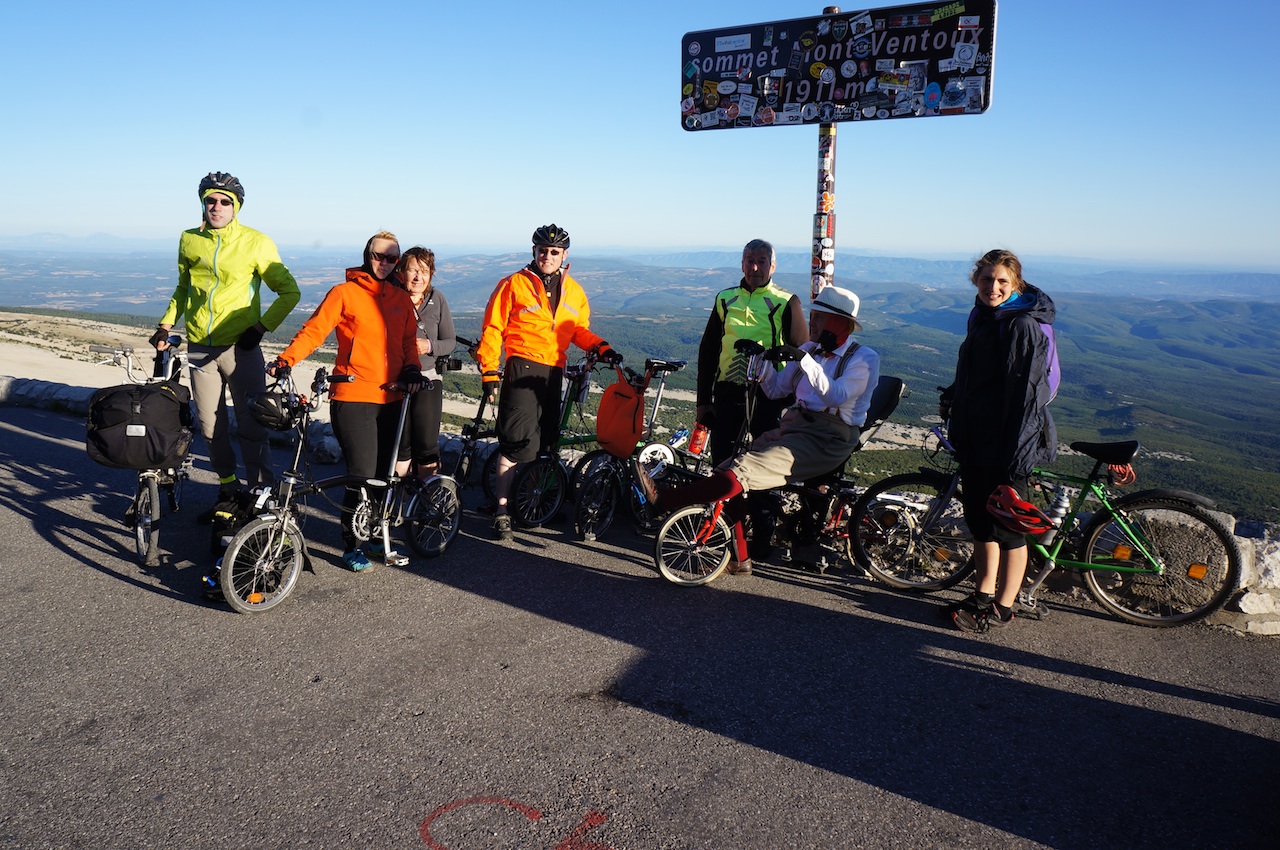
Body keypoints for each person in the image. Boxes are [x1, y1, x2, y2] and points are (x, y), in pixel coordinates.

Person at [637, 285, 878, 576]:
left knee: (741, 471)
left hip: (830, 439)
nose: (811, 322)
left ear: (839, 323)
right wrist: (761, 361)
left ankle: (665, 501)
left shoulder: (863, 358)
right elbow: (777, 390)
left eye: (818, 317)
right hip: (796, 426)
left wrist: (804, 361)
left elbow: (836, 396)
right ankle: (740, 557)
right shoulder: (810, 350)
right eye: (814, 315)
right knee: (727, 469)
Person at [271, 231, 423, 572]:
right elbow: (314, 330)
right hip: (354, 395)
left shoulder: (400, 298)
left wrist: (412, 366)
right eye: (377, 256)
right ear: (366, 255)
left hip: (395, 395)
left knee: (384, 474)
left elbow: (409, 341)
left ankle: (370, 533)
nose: (384, 263)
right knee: (361, 474)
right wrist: (286, 359)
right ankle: (351, 544)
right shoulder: (345, 293)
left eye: (391, 258)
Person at [153, 171, 300, 518]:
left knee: (252, 426)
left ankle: (261, 494)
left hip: (240, 348)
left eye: (224, 201)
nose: (216, 206)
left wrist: (260, 328)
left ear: (236, 207)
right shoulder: (189, 239)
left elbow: (290, 292)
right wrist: (165, 324)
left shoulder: (256, 242)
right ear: (202, 203)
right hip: (200, 348)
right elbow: (184, 289)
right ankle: (229, 490)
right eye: (210, 200)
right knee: (210, 426)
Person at [476, 224, 620, 542]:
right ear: (534, 252)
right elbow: (492, 329)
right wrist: (489, 370)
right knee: (515, 443)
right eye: (543, 250)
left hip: (555, 370)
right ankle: (501, 511)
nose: (548, 256)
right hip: (522, 366)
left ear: (564, 255)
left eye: (555, 252)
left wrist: (600, 346)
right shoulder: (513, 284)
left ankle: (534, 502)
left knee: (545, 442)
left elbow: (578, 330)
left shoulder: (574, 291)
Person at [939, 249, 1057, 632]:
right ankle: (983, 592)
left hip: (1008, 442)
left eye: (1002, 281)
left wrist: (1016, 458)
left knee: (1009, 528)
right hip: (977, 436)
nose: (993, 287)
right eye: (987, 279)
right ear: (977, 280)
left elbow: (1026, 396)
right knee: (981, 521)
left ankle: (1005, 606)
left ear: (1015, 284)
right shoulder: (981, 316)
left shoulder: (1021, 325)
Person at [696, 239, 808, 465]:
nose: (755, 267)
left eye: (761, 261)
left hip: (768, 396)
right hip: (728, 391)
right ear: (742, 264)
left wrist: (796, 400)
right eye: (750, 261)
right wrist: (703, 401)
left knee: (763, 465)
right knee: (722, 462)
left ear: (772, 266)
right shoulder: (725, 299)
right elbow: (708, 351)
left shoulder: (786, 301)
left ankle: (762, 501)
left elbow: (802, 354)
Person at [393, 247, 456, 480]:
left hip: (428, 376)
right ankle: (397, 504)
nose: (418, 277)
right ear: (401, 272)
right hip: (396, 379)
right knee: (402, 445)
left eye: (425, 271)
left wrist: (429, 346)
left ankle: (428, 503)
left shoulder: (436, 299)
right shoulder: (391, 297)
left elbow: (449, 341)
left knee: (427, 445)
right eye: (413, 270)